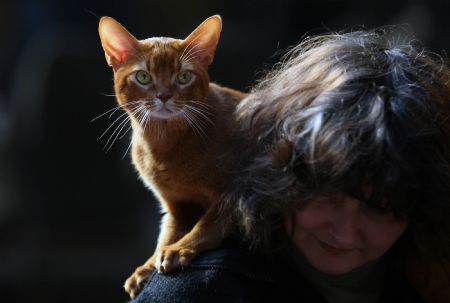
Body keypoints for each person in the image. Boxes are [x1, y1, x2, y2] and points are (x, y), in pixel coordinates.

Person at [131, 28, 450, 303]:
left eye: (381, 207)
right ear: (279, 167)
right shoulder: (198, 293)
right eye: (327, 193)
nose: (345, 233)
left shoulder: (428, 274)